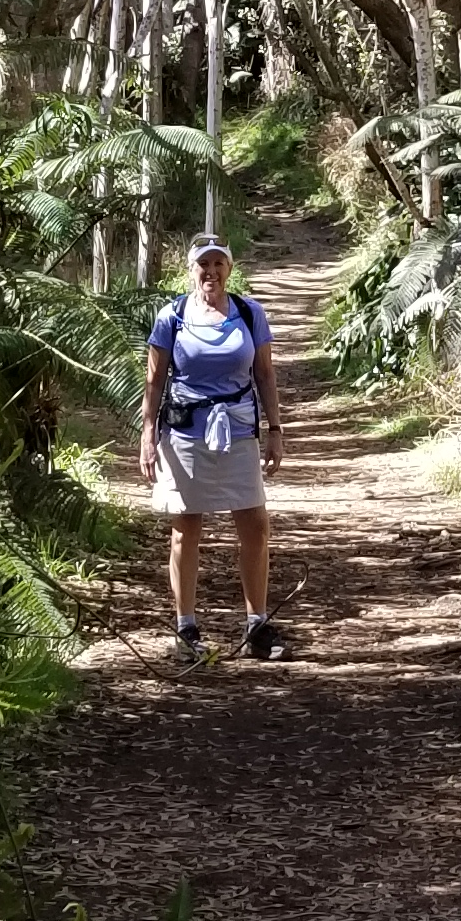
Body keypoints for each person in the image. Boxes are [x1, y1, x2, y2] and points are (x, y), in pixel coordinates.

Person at [140, 235, 287, 660]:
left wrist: (275, 429)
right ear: (192, 270)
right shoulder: (172, 317)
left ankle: (256, 625)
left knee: (255, 524)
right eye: (204, 264)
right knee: (186, 529)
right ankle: (185, 628)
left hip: (238, 430)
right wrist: (148, 434)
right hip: (185, 433)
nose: (211, 272)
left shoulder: (249, 313)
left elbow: (265, 374)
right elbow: (154, 379)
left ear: (229, 269)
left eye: (218, 263)